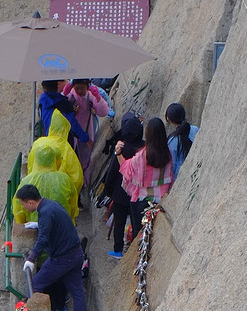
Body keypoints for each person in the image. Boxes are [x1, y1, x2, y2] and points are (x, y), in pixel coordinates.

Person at [18, 185, 87, 311]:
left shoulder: (45, 212)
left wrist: (31, 258)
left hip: (61, 258)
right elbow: (54, 225)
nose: (23, 207)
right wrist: (39, 225)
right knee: (77, 290)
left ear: (30, 202)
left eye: (23, 203)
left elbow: (43, 238)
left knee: (34, 284)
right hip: (75, 253)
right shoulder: (50, 205)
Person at [115, 117, 173, 248]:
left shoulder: (142, 156)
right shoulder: (167, 154)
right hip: (160, 200)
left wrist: (118, 154)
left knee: (139, 234)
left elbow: (127, 169)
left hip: (141, 199)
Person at [102, 114, 144, 258]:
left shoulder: (122, 148)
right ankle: (135, 249)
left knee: (119, 222)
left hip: (120, 192)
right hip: (138, 192)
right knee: (136, 221)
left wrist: (108, 189)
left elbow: (113, 170)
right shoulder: (144, 148)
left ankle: (118, 250)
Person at [13, 138, 77, 223]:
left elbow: (18, 207)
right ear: (54, 159)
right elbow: (73, 203)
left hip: (36, 225)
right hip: (61, 223)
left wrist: (22, 223)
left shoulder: (27, 181)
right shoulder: (65, 179)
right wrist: (70, 218)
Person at [62, 77, 111, 181]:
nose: (79, 91)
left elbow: (103, 112)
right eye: (77, 88)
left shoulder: (91, 96)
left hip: (87, 131)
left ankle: (84, 182)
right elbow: (61, 110)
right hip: (71, 132)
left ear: (87, 87)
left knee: (85, 159)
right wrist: (64, 95)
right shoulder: (70, 95)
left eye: (82, 88)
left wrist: (98, 98)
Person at [37, 79, 90, 149]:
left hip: (49, 140)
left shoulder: (42, 102)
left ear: (44, 88)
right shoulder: (62, 103)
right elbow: (72, 124)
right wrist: (86, 138)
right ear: (57, 85)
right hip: (64, 142)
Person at [164, 102, 198, 179]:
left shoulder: (172, 140)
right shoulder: (195, 130)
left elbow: (172, 164)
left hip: (180, 176)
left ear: (170, 119)